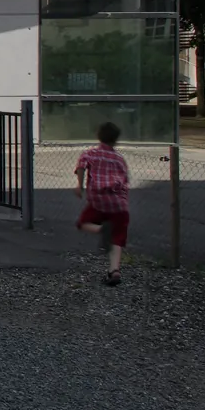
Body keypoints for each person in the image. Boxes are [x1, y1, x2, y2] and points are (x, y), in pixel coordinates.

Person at [74, 121, 130, 286]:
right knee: (117, 237)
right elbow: (125, 181)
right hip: (119, 204)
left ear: (98, 136)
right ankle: (114, 270)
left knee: (83, 222)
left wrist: (80, 185)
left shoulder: (90, 154)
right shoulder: (120, 159)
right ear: (116, 140)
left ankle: (101, 229)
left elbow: (81, 166)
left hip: (98, 201)